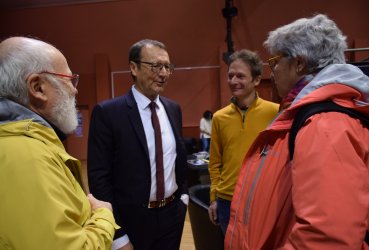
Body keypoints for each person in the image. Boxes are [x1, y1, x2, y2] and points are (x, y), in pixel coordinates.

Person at [225, 14, 369, 249]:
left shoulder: (325, 124)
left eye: (275, 62)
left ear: (298, 64)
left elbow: (327, 238)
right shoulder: (307, 114)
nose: (273, 72)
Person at [0, 37, 118, 249]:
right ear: (38, 87)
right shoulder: (28, 157)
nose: (75, 90)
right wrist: (104, 215)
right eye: (69, 79)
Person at [87, 39, 188, 250]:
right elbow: (99, 178)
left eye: (168, 67)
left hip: (172, 216)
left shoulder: (173, 109)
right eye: (156, 66)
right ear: (133, 67)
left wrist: (183, 200)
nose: (163, 73)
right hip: (131, 222)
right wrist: (118, 235)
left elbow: (178, 160)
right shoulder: (108, 113)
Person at [208, 49, 279, 235]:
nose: (233, 81)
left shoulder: (275, 112)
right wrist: (213, 198)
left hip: (261, 198)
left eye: (240, 76)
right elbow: (215, 163)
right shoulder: (219, 118)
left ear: (256, 80)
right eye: (230, 76)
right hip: (226, 201)